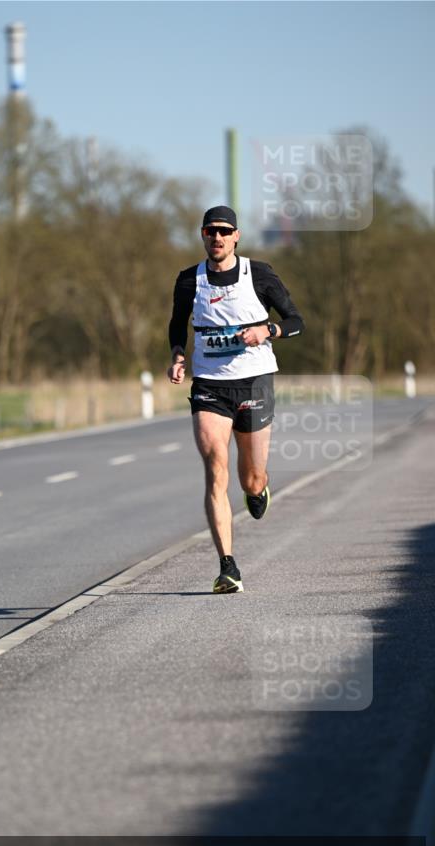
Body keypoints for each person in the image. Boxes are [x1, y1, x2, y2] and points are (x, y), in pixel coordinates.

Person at [167, 205, 304, 593]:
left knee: (249, 476)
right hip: (210, 385)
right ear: (203, 235)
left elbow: (297, 320)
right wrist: (178, 355)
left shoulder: (258, 274)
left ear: (236, 236)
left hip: (255, 382)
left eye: (224, 231)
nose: (217, 237)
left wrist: (269, 330)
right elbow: (177, 324)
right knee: (215, 466)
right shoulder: (188, 280)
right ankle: (228, 566)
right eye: (211, 231)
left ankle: (258, 488)